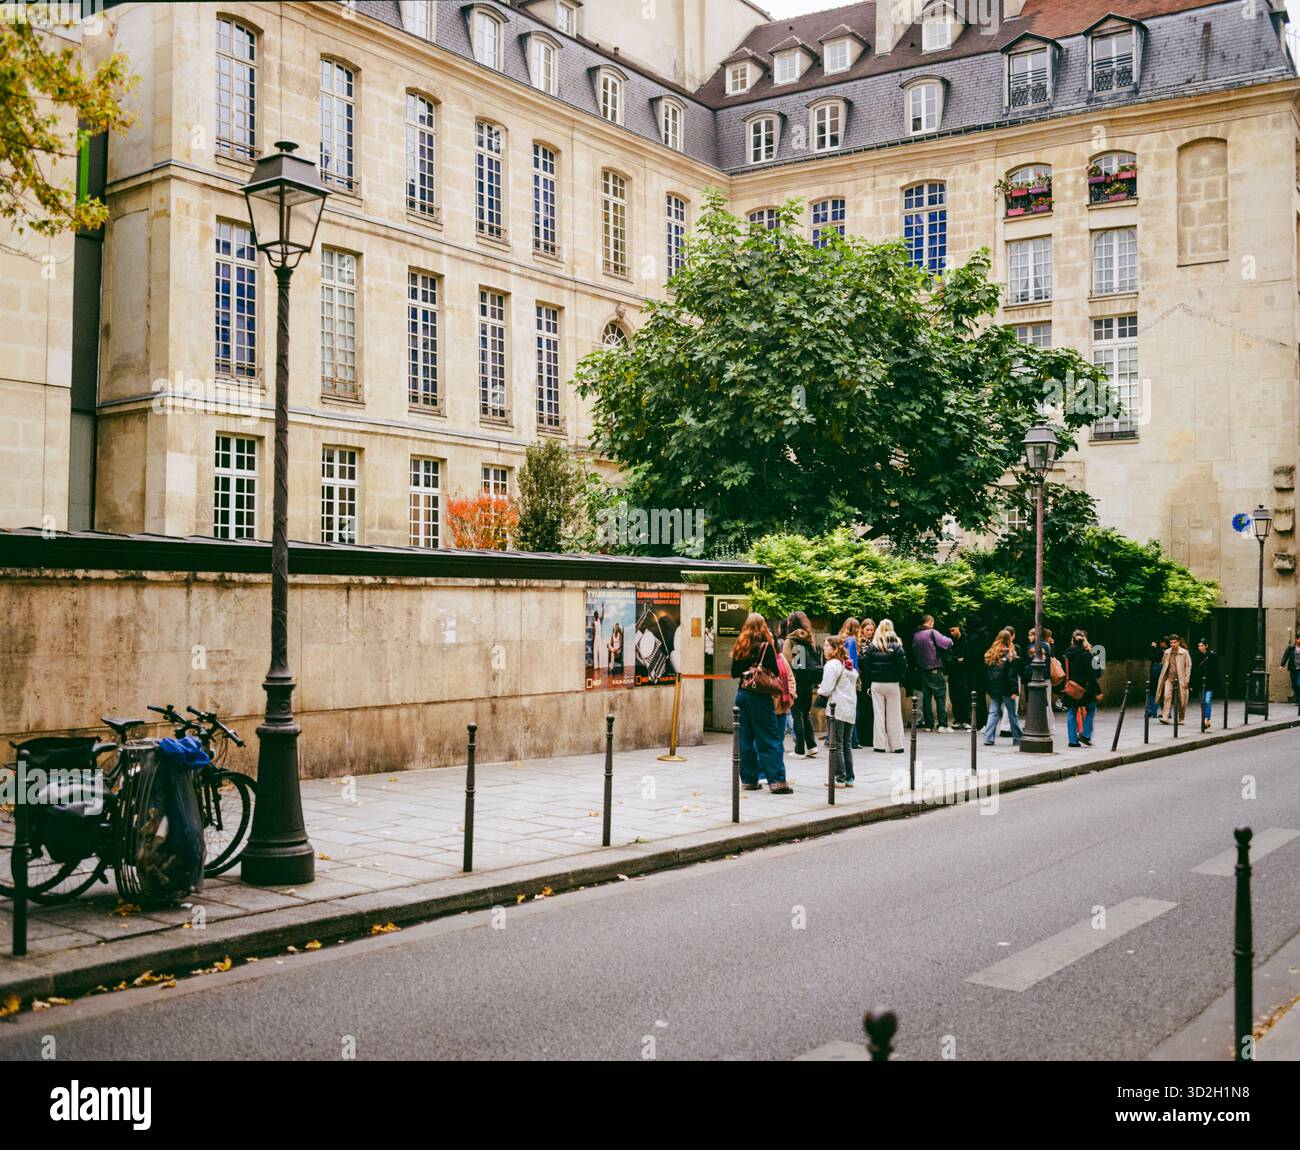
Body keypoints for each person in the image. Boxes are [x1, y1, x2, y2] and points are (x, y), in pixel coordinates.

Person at [729, 613, 793, 794]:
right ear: (763, 626)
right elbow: (774, 671)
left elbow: (734, 673)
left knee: (745, 738)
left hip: (742, 694)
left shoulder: (741, 646)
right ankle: (777, 781)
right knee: (769, 737)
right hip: (760, 696)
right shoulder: (766, 647)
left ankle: (749, 780)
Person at [817, 635, 859, 787]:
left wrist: (820, 689)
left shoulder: (832, 665)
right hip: (849, 708)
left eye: (827, 646)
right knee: (846, 744)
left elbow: (826, 689)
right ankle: (849, 777)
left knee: (836, 744)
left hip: (836, 708)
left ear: (834, 648)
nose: (824, 648)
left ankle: (839, 778)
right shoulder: (848, 666)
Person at [864, 619, 908, 753]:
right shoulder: (897, 646)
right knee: (894, 715)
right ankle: (897, 745)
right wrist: (899, 678)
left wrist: (869, 680)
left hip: (876, 684)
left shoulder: (873, 645)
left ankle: (879, 745)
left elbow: (866, 666)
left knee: (878, 715)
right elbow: (903, 667)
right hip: (892, 684)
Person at [782, 611, 820, 759]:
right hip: (808, 681)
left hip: (796, 680)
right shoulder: (809, 637)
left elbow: (786, 663)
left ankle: (799, 749)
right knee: (805, 713)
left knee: (796, 713)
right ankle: (812, 746)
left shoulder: (789, 640)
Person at [911, 615, 953, 731]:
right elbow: (947, 643)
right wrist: (951, 638)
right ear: (929, 622)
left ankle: (929, 725)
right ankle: (942, 725)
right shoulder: (931, 632)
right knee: (940, 696)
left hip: (922, 670)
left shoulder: (915, 635)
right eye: (932, 623)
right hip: (935, 668)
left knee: (926, 698)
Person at [982, 629, 1022, 746]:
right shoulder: (1010, 654)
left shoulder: (991, 653)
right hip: (1007, 688)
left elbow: (987, 672)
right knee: (1012, 714)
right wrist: (1015, 690)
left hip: (994, 687)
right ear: (1009, 639)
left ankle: (988, 738)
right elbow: (1012, 675)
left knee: (993, 713)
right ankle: (1018, 738)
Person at [1062, 630, 1101, 747]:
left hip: (1071, 687)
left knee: (1071, 712)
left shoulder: (1067, 655)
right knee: (1091, 709)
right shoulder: (1087, 655)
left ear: (1072, 641)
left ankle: (1072, 740)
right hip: (1085, 688)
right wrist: (1098, 691)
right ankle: (1085, 734)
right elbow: (1093, 674)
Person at [1156, 634, 1192, 725]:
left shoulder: (1184, 652)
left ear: (1179, 642)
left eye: (1174, 642)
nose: (1172, 644)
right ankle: (1165, 717)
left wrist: (1187, 679)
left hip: (1181, 678)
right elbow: (1164, 663)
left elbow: (1188, 666)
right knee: (1166, 696)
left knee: (1181, 699)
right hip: (1169, 678)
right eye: (1171, 642)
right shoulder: (1167, 652)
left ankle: (1181, 718)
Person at [946, 624, 974, 730]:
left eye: (953, 630)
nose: (951, 632)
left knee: (965, 696)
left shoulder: (966, 639)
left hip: (964, 673)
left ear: (958, 627)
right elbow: (949, 656)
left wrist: (958, 660)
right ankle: (958, 719)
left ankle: (966, 719)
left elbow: (967, 656)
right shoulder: (950, 641)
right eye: (950, 631)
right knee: (955, 696)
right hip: (954, 672)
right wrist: (957, 660)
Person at [1193, 638, 1221, 732]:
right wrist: (1192, 684)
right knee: (1202, 703)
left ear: (1206, 646)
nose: (1200, 647)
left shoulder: (1212, 655)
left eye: (1201, 645)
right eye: (1199, 646)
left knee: (1207, 700)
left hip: (1210, 682)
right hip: (1200, 682)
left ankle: (1207, 718)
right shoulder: (1196, 656)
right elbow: (1194, 670)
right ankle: (1204, 718)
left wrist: (1217, 684)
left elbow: (1216, 670)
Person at [857, 618, 876, 749]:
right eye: (867, 630)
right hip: (861, 678)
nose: (869, 632)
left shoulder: (875, 643)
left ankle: (870, 737)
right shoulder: (858, 643)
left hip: (872, 677)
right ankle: (862, 736)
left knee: (871, 708)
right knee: (862, 707)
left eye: (871, 630)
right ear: (862, 629)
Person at [1146, 638, 1167, 718]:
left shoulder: (1161, 651)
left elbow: (1151, 656)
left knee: (1155, 690)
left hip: (1157, 668)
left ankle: (1152, 710)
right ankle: (1166, 711)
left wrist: (1153, 648)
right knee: (1162, 691)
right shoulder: (1166, 651)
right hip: (1162, 668)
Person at [1281, 635, 1300, 705]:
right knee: (1294, 684)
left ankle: (1298, 700)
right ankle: (1297, 699)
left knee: (1299, 684)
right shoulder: (1291, 648)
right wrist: (1281, 665)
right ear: (1296, 639)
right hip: (1293, 668)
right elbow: (1286, 656)